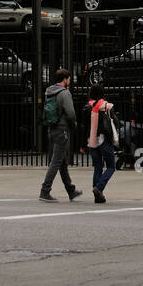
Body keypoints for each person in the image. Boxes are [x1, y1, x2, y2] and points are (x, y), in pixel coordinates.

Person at [39, 68, 83, 202]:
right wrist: (74, 124)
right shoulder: (64, 93)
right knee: (56, 162)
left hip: (52, 129)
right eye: (69, 79)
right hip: (62, 130)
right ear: (65, 79)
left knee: (62, 161)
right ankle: (45, 191)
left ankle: (71, 190)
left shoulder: (49, 92)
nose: (69, 81)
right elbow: (71, 113)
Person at [85, 84, 116, 204]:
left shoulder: (87, 107)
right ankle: (99, 188)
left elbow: (84, 126)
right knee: (111, 166)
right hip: (104, 140)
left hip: (91, 140)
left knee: (97, 167)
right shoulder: (107, 106)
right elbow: (115, 122)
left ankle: (97, 195)